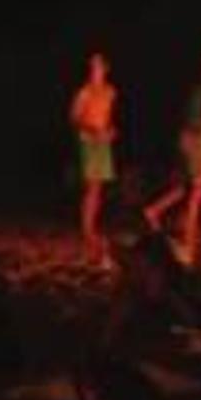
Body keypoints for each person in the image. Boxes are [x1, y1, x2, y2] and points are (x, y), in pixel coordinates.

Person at [144, 42, 201, 265]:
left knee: (184, 188)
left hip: (185, 137)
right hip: (195, 139)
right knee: (199, 193)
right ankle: (188, 248)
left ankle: (153, 211)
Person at [69, 52, 117, 263]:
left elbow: (107, 116)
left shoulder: (110, 92)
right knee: (90, 185)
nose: (94, 70)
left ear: (105, 69)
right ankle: (87, 230)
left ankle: (91, 226)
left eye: (98, 66)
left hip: (103, 141)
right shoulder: (84, 92)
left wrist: (110, 130)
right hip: (88, 140)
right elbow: (74, 117)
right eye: (92, 66)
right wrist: (91, 128)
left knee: (98, 187)